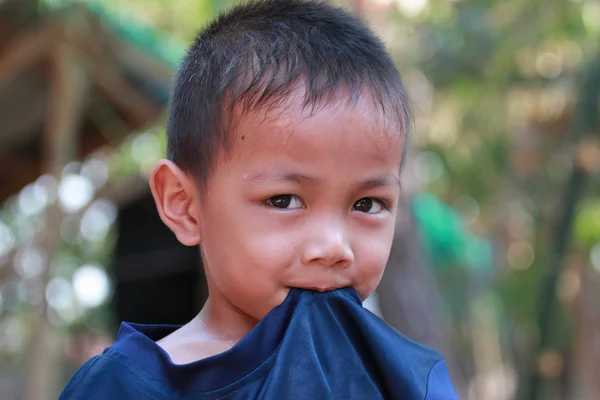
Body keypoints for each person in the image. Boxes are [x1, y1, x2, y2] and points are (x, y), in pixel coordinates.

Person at [59, 0, 458, 398]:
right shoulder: (123, 388)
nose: (334, 247)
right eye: (284, 200)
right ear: (184, 204)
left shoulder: (407, 380)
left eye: (367, 204)